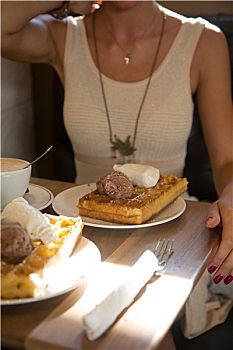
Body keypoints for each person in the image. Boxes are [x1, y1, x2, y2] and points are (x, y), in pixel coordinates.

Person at [1, 0, 233, 338]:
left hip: (170, 239)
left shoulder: (203, 41)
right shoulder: (63, 36)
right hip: (77, 237)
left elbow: (227, 160)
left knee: (135, 329)